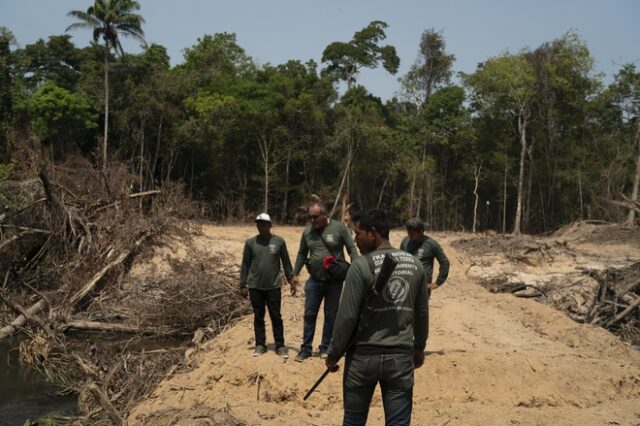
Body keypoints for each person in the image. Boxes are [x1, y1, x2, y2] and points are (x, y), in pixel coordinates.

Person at [325, 209, 428, 426]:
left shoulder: (360, 266)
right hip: (400, 359)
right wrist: (418, 347)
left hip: (362, 359)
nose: (355, 240)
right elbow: (421, 314)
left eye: (358, 234)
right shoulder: (415, 265)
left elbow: (346, 318)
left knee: (353, 420)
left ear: (373, 233)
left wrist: (333, 354)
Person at [292, 202, 359, 362]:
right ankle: (306, 349)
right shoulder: (307, 232)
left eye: (315, 217)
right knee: (309, 315)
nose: (312, 220)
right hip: (314, 280)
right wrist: (295, 274)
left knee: (331, 315)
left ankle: (325, 347)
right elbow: (302, 254)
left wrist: (357, 269)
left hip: (334, 281)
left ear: (325, 215)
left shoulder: (339, 228)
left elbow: (351, 248)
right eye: (310, 217)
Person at [240, 213, 296, 358]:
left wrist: (291, 280)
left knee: (276, 316)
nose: (261, 227)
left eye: (264, 224)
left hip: (273, 286)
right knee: (258, 316)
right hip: (255, 286)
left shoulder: (279, 242)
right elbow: (245, 264)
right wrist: (242, 284)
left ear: (270, 225)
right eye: (259, 224)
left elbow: (286, 263)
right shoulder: (250, 243)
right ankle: (260, 345)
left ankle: (280, 345)